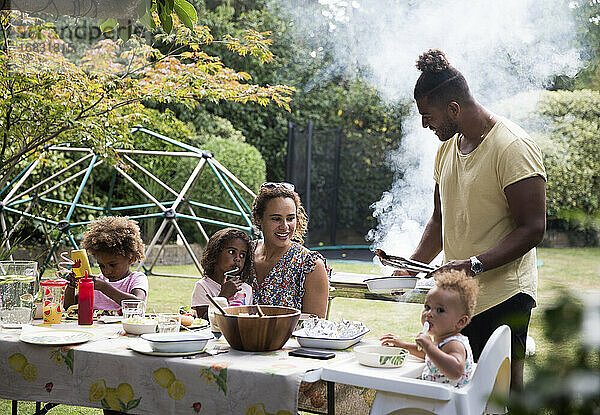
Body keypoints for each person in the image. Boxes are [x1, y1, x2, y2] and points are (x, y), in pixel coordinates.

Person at [399, 49, 546, 392]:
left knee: (504, 392)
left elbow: (533, 227)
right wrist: (411, 265)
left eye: (428, 115)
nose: (424, 124)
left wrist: (474, 265)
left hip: (505, 295)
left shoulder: (513, 146)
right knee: (458, 390)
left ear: (453, 108)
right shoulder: (446, 150)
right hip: (458, 300)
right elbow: (439, 219)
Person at [380, 270, 479, 388]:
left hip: (446, 401)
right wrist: (403, 345)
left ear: (460, 321)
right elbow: (427, 354)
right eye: (427, 307)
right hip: (437, 396)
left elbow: (455, 371)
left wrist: (429, 346)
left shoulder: (454, 344)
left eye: (440, 310)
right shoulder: (442, 340)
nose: (429, 314)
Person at [250, 182, 330, 318]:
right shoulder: (244, 253)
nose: (285, 226)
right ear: (259, 218)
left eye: (290, 218)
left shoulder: (310, 266)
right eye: (276, 219)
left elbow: (313, 330)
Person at [64, 216, 148, 313]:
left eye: (113, 265)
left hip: (125, 327)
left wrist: (104, 287)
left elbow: (137, 305)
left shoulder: (136, 279)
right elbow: (70, 307)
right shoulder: (97, 283)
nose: (107, 271)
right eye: (101, 265)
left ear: (131, 259)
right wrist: (71, 286)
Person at [190, 227, 253, 319]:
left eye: (242, 255)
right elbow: (204, 320)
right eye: (232, 252)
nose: (238, 258)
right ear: (215, 254)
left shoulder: (246, 289)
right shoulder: (203, 286)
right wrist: (224, 296)